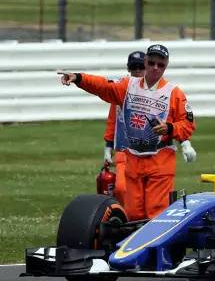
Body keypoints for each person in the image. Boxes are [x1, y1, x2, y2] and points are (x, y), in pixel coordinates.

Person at [58, 44, 197, 221]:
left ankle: (154, 248)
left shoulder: (174, 93)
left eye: (160, 65)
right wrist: (79, 78)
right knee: (133, 214)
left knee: (155, 213)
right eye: (152, 63)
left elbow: (188, 124)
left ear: (166, 65)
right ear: (146, 62)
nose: (155, 68)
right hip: (133, 157)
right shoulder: (127, 85)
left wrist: (170, 128)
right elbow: (103, 86)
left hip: (160, 158)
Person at [103, 51, 146, 206]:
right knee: (120, 188)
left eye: (141, 66)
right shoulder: (120, 88)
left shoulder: (159, 90)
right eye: (134, 66)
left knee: (143, 192)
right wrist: (108, 146)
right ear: (128, 69)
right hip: (124, 150)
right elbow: (112, 119)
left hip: (149, 153)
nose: (137, 70)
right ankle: (122, 217)